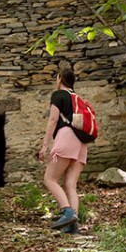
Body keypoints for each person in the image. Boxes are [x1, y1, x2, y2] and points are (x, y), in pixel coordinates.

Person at [38, 66, 86, 233]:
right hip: (81, 143)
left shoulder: (58, 95)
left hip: (65, 140)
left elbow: (52, 120)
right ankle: (73, 226)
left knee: (50, 179)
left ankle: (67, 212)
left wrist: (45, 145)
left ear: (60, 79)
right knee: (70, 185)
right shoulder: (78, 98)